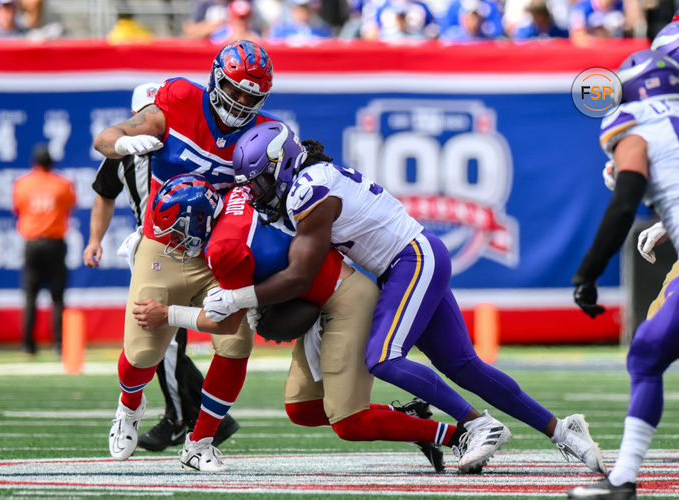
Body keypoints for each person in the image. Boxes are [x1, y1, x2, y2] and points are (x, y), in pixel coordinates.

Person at [202, 121, 608, 475]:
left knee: (383, 358)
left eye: (259, 181)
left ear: (282, 165)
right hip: (410, 260)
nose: (255, 193)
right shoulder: (311, 180)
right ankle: (561, 429)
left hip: (410, 260)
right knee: (463, 365)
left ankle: (475, 425)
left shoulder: (310, 190)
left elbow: (299, 276)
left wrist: (238, 298)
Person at [132, 175, 491, 473]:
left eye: (179, 233)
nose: (178, 243)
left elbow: (226, 325)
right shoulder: (236, 196)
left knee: (349, 422)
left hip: (347, 299)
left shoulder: (224, 249)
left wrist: (169, 315)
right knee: (302, 409)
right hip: (324, 297)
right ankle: (409, 420)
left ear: (199, 220)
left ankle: (456, 434)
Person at [92, 39, 279, 462]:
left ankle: (201, 442)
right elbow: (108, 136)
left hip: (221, 251)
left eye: (251, 95)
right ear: (216, 78)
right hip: (166, 244)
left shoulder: (265, 132)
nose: (240, 100)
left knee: (235, 344)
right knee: (142, 353)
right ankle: (129, 406)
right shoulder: (178, 102)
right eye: (233, 89)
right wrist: (123, 144)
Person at [84, 82, 239, 453]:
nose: (152, 123)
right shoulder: (125, 150)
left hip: (202, 249)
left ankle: (182, 418)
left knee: (216, 334)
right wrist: (94, 240)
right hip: (154, 247)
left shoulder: (189, 142)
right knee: (152, 343)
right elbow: (105, 194)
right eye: (145, 117)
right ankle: (165, 411)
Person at [567, 49, 679, 500]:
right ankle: (621, 480)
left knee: (647, 356)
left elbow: (625, 199)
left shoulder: (635, 123)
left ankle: (623, 480)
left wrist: (588, 271)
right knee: (649, 350)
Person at [12, 144, 76, 355]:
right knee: (57, 296)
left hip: (32, 243)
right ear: (51, 163)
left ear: (34, 163)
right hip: (54, 243)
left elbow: (18, 209)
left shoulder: (22, 184)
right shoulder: (62, 184)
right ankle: (58, 344)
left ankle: (27, 345)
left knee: (30, 295)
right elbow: (69, 206)